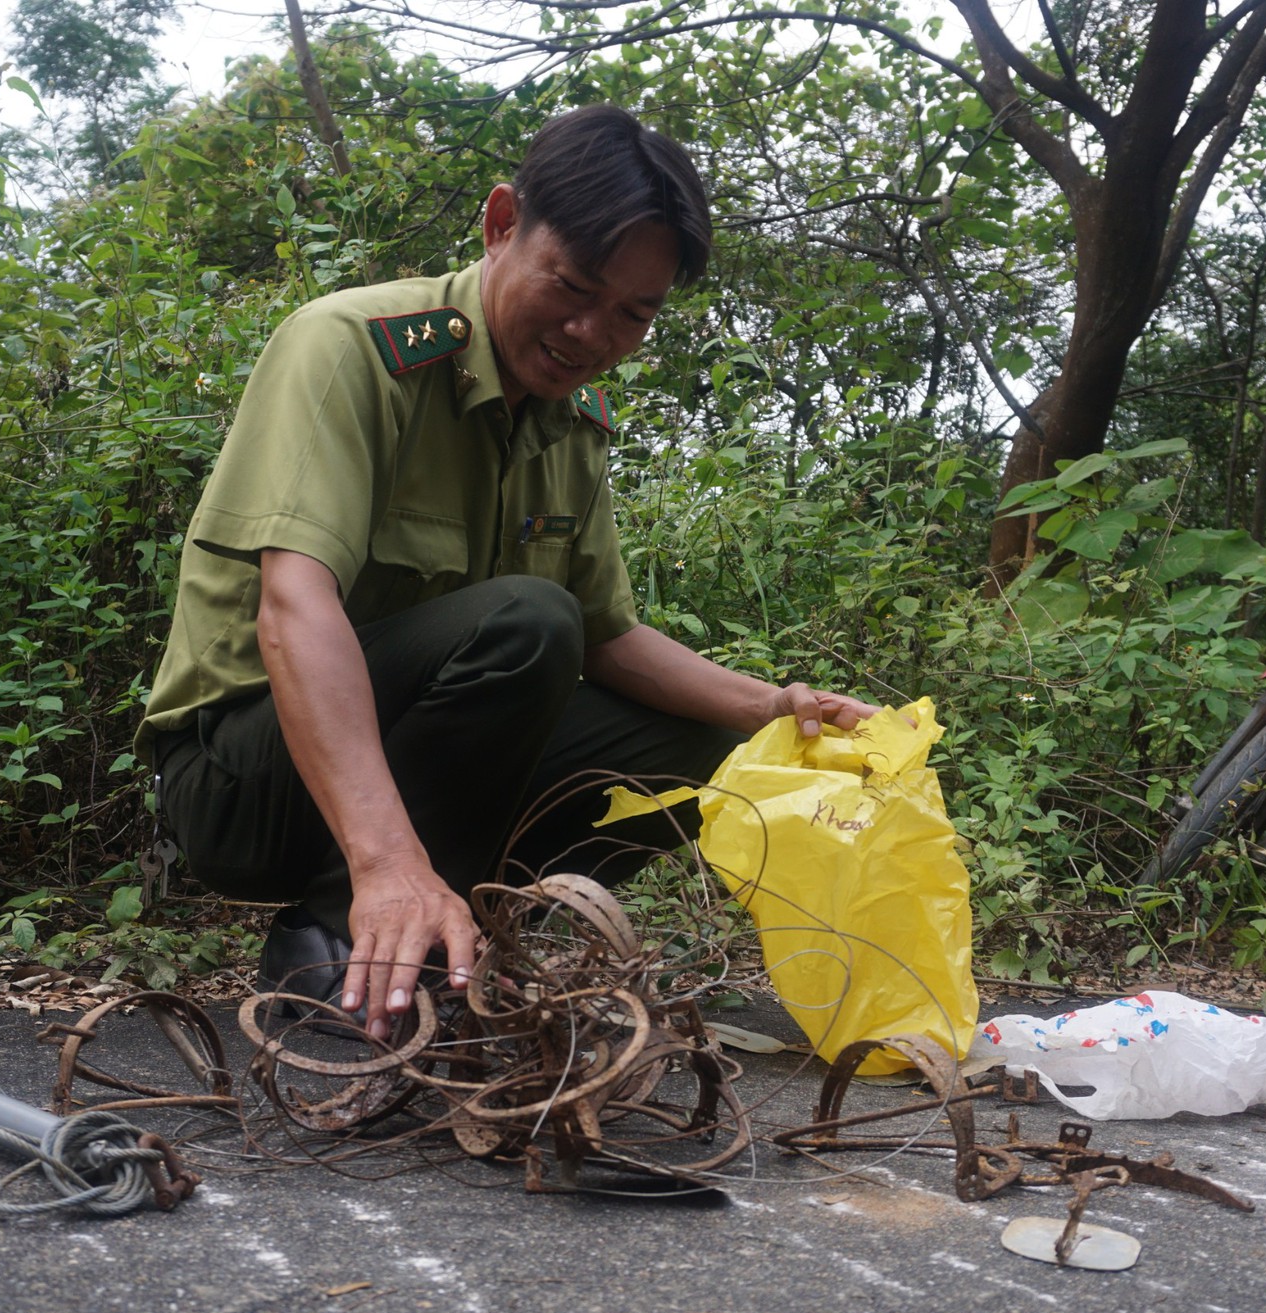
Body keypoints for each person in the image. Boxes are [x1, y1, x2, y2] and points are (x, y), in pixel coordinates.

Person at [139, 104, 882, 1043]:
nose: (590, 331)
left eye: (632, 313)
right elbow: (293, 606)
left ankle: (465, 942)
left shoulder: (573, 422)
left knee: (702, 750)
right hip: (242, 776)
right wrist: (382, 861)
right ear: (500, 226)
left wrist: (772, 709)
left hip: (400, 771)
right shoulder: (351, 350)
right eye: (571, 285)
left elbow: (608, 637)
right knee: (527, 620)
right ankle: (334, 944)